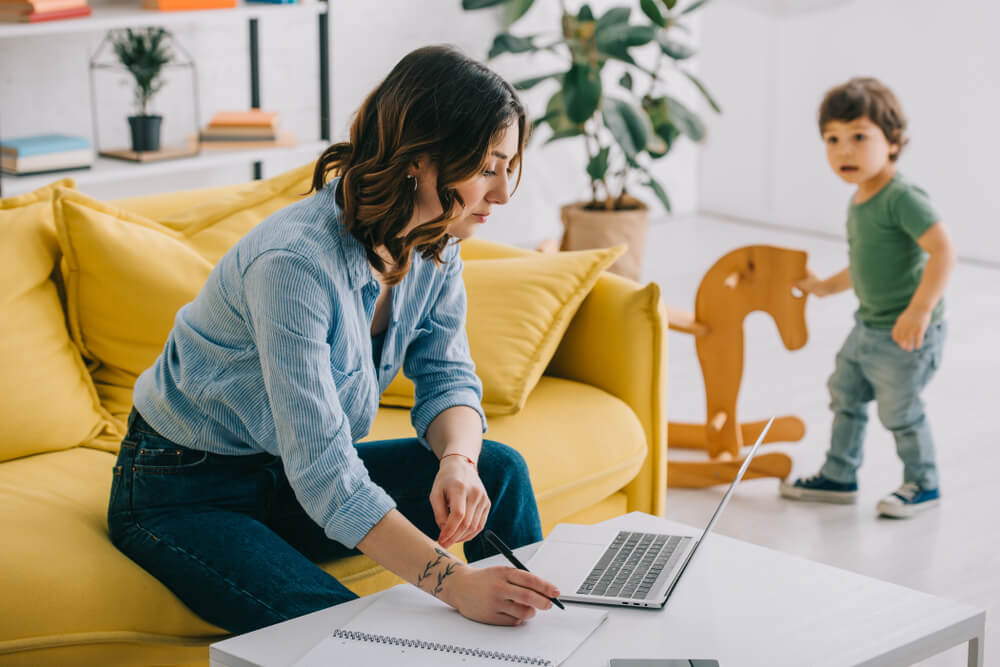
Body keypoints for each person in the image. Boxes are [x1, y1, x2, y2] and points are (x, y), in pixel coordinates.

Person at [107, 45, 560, 635]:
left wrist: (457, 460)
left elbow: (447, 375)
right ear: (420, 158)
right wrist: (455, 583)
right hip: (185, 491)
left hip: (285, 478)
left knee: (495, 469)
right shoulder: (294, 263)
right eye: (487, 168)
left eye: (508, 167)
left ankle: (541, 632)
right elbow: (326, 473)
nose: (501, 194)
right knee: (341, 635)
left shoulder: (435, 242)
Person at [780, 77, 956, 519]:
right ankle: (840, 475)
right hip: (868, 326)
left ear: (893, 142)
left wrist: (920, 310)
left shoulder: (902, 197)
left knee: (900, 411)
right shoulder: (861, 198)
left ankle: (924, 482)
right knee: (845, 394)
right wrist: (825, 287)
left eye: (859, 137)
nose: (844, 151)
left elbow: (944, 250)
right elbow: (864, 266)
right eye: (832, 139)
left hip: (906, 334)